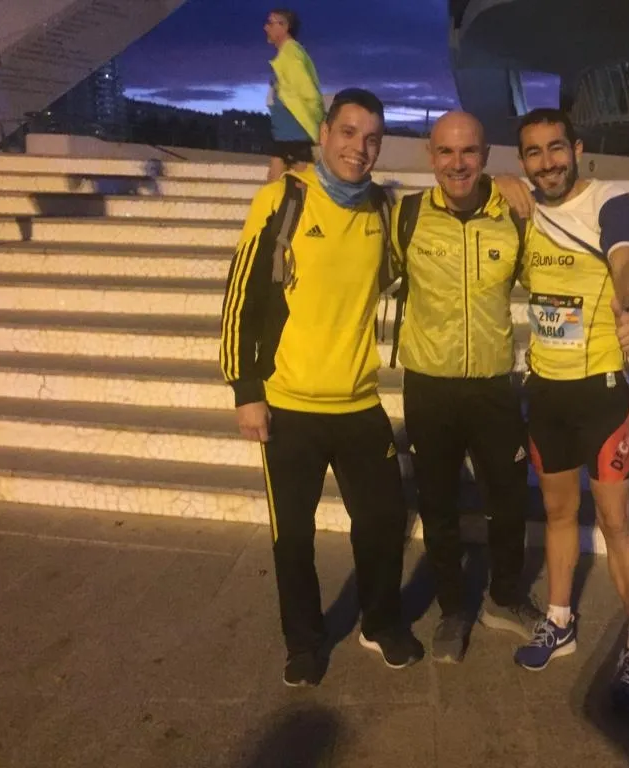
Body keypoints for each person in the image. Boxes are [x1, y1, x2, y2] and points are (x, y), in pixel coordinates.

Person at [220, 88, 423, 688]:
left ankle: (379, 624)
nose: (360, 148)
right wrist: (246, 390)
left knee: (382, 522)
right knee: (293, 537)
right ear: (324, 134)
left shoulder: (382, 210)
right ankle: (304, 642)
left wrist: (502, 186)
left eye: (372, 139)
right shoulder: (282, 199)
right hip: (289, 405)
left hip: (359, 402)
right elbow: (240, 298)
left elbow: (438, 212)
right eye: (349, 133)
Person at [508, 108, 629, 713]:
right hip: (546, 392)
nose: (547, 162)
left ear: (577, 148)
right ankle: (560, 620)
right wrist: (495, 182)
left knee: (616, 523)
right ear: (523, 161)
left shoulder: (608, 200)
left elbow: (626, 261)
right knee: (558, 512)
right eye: (534, 152)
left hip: (602, 394)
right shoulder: (522, 207)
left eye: (556, 148)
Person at [389, 112, 544, 663]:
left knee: (509, 499)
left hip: (493, 387)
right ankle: (453, 607)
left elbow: (550, 281)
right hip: (428, 386)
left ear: (485, 155)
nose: (457, 164)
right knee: (437, 504)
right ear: (430, 156)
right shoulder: (406, 215)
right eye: (446, 152)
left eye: (469, 152)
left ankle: (504, 597)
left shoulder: (511, 215)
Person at [264, 8, 324, 182]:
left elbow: (310, 93)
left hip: (294, 133)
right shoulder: (288, 53)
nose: (265, 27)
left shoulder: (291, 54)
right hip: (285, 133)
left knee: (299, 183)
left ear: (284, 26)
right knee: (277, 183)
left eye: (270, 23)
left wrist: (319, 124)